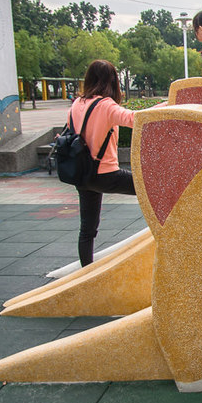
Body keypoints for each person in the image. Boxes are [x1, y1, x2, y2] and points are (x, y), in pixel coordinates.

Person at [68, 60, 141, 266]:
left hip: (82, 175)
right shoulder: (106, 105)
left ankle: (86, 272)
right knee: (151, 188)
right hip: (106, 175)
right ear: (112, 80)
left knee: (87, 230)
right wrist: (168, 107)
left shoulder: (76, 104)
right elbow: (135, 119)